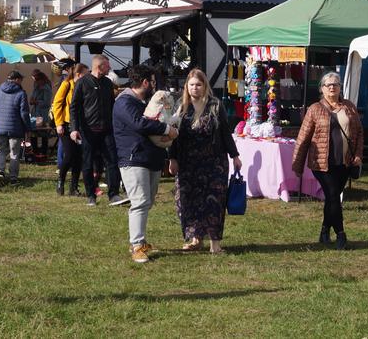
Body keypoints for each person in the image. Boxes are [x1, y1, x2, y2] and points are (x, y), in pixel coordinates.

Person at [168, 68, 242, 254]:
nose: (195, 88)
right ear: (187, 86)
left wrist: (235, 156)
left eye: (199, 84)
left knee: (214, 202)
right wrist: (172, 158)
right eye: (192, 85)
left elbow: (225, 132)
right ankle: (195, 238)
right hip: (187, 163)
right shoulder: (181, 105)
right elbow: (173, 135)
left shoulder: (215, 105)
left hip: (214, 163)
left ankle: (215, 243)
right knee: (187, 201)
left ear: (205, 85)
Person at [114, 65, 178, 263]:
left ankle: (140, 241)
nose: (153, 85)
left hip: (150, 158)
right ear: (144, 82)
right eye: (151, 81)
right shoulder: (124, 102)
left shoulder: (143, 102)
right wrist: (167, 128)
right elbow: (139, 124)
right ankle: (137, 246)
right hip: (133, 159)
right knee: (140, 201)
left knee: (147, 202)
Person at [292, 72, 363, 250]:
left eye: (336, 84)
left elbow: (359, 133)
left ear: (340, 88)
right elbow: (303, 138)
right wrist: (297, 164)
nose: (332, 87)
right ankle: (341, 234)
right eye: (328, 85)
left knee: (332, 199)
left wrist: (359, 155)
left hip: (345, 162)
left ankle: (324, 231)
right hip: (322, 163)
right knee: (333, 195)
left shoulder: (349, 107)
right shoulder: (315, 109)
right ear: (322, 89)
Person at [70, 54, 128, 207]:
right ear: (100, 66)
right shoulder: (82, 83)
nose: (110, 68)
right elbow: (74, 107)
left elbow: (112, 105)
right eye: (107, 65)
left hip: (107, 130)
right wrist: (74, 129)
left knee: (112, 161)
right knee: (88, 164)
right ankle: (91, 195)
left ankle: (114, 194)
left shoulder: (108, 83)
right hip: (88, 131)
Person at [52, 63, 89, 196]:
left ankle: (73, 187)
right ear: (79, 74)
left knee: (78, 158)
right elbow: (57, 103)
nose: (88, 75)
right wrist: (59, 123)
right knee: (68, 155)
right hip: (66, 125)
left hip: (80, 125)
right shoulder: (67, 84)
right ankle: (60, 182)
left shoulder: (84, 86)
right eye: (86, 73)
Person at [0, 70, 32, 186]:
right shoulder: (21, 93)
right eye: (21, 79)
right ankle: (13, 177)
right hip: (15, 128)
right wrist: (28, 128)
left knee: (1, 151)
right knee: (14, 153)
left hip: (0, 127)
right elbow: (24, 113)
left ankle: (0, 171)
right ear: (17, 80)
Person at [29, 69, 52, 156]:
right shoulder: (36, 87)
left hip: (43, 114)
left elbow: (47, 103)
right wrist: (31, 101)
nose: (35, 82)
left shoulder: (46, 88)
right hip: (35, 113)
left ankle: (43, 151)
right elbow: (32, 98)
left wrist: (36, 102)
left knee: (43, 134)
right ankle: (35, 151)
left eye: (36, 80)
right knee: (33, 133)